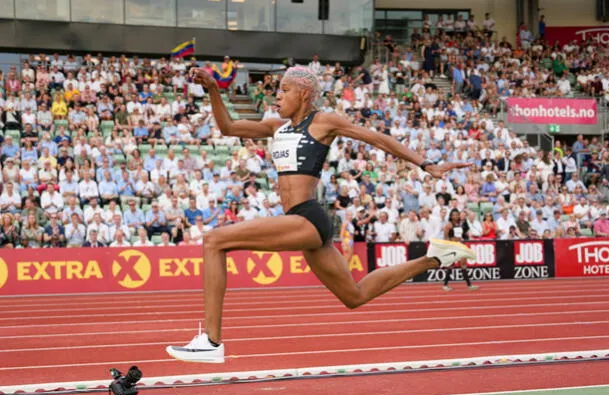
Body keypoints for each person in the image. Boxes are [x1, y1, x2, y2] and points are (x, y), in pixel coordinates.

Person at [166, 66, 475, 363]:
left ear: (305, 93)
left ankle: (211, 341)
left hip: (309, 217)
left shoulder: (323, 121)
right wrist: (213, 90)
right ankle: (435, 258)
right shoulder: (276, 127)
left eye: (284, 90)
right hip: (302, 222)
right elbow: (228, 128)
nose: (277, 97)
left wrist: (425, 164)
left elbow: (377, 138)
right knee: (355, 295)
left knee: (214, 240)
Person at [441, 209, 478, 292]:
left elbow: (461, 235)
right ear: (451, 216)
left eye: (457, 215)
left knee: (463, 264)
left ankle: (469, 285)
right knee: (451, 265)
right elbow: (445, 238)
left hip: (460, 246)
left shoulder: (459, 224)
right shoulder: (448, 225)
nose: (455, 216)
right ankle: (445, 285)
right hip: (452, 247)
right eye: (453, 215)